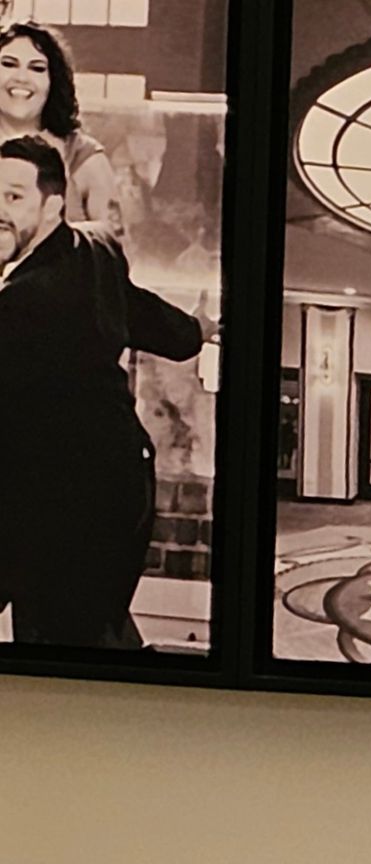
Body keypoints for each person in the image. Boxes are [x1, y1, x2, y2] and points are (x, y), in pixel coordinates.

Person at [0, 131, 200, 648]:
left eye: (13, 197)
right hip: (122, 483)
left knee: (62, 645)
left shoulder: (23, 301)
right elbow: (139, 312)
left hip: (65, 504)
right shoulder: (95, 248)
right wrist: (195, 330)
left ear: (52, 205)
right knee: (94, 627)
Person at [0, 23, 117, 228]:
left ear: (53, 80)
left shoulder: (85, 159)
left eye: (37, 68)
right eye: (8, 64)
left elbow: (115, 244)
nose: (21, 78)